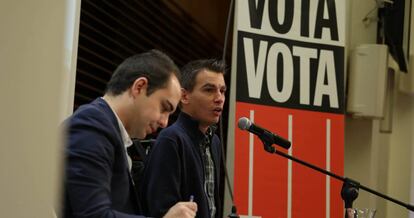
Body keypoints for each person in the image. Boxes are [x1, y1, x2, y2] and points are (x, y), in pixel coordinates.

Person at [63, 50, 197, 218]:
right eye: (164, 107)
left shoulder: (106, 128)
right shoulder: (91, 125)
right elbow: (93, 214)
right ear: (139, 87)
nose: (164, 122)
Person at [140, 59, 226, 218]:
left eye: (222, 91)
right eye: (209, 90)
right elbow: (159, 210)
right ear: (184, 96)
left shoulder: (214, 142)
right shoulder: (171, 139)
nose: (219, 98)